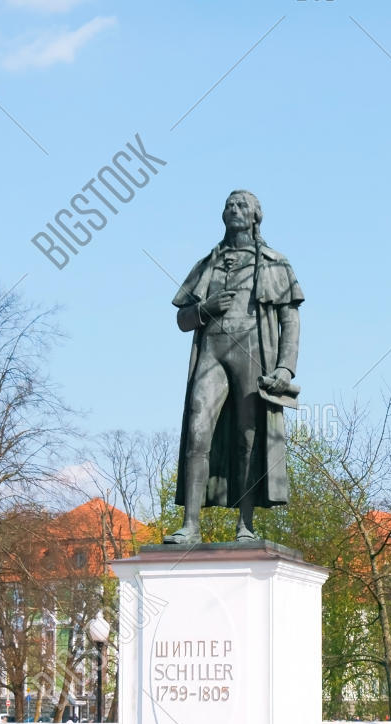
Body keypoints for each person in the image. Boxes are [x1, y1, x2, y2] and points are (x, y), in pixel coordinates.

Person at [165, 190, 305, 545]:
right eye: (229, 204)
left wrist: (285, 368)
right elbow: (182, 319)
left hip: (253, 351)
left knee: (248, 436)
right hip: (212, 351)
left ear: (256, 215)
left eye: (242, 205)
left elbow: (290, 320)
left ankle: (245, 524)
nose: (234, 209)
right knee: (197, 429)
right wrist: (205, 308)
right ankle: (190, 525)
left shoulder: (275, 263)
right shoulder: (208, 263)